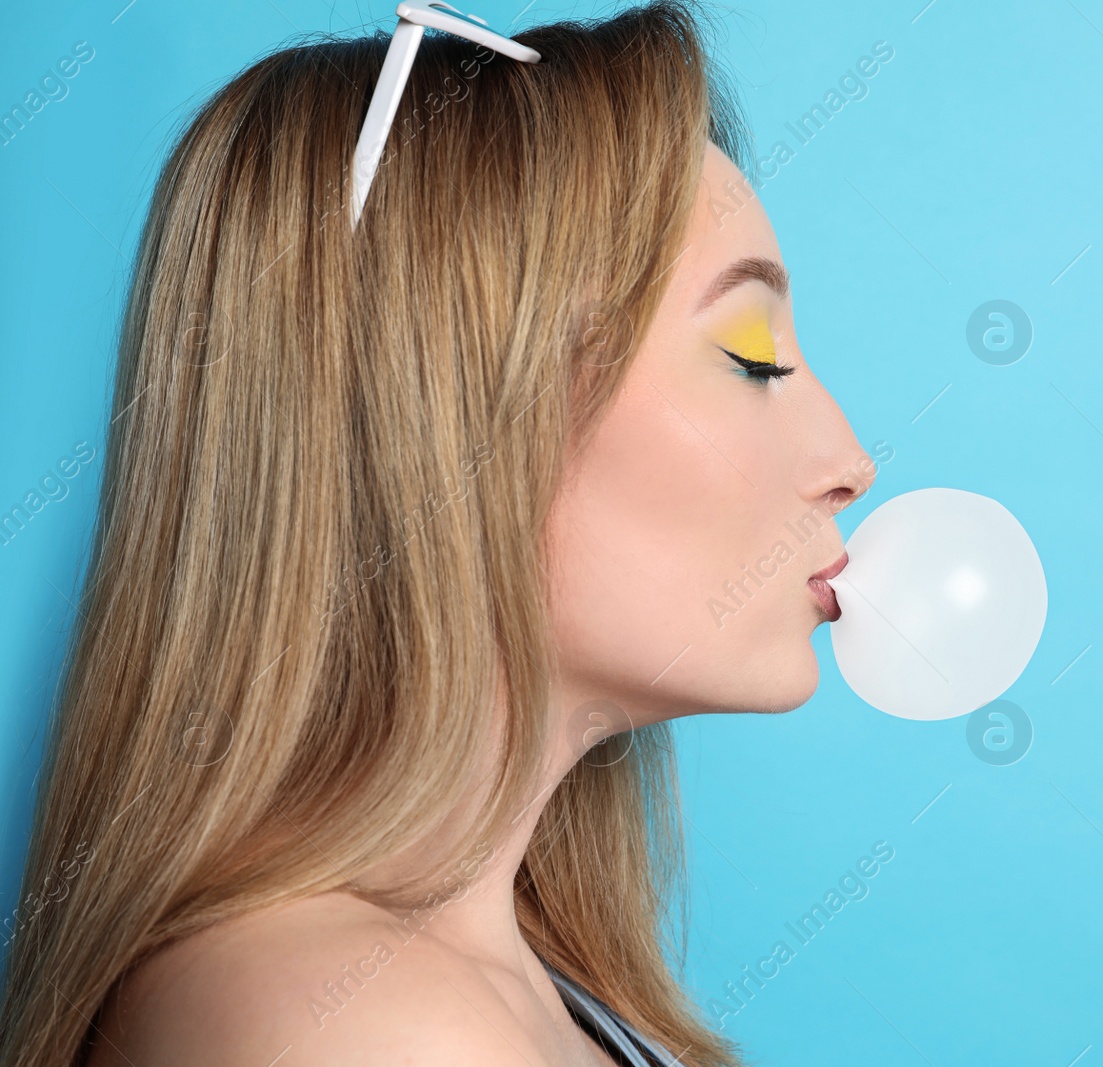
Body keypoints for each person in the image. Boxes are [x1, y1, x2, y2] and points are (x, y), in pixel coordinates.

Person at [0, 3, 878, 1064]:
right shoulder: (366, 1026)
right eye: (749, 353)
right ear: (458, 419)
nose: (848, 459)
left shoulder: (509, 978)